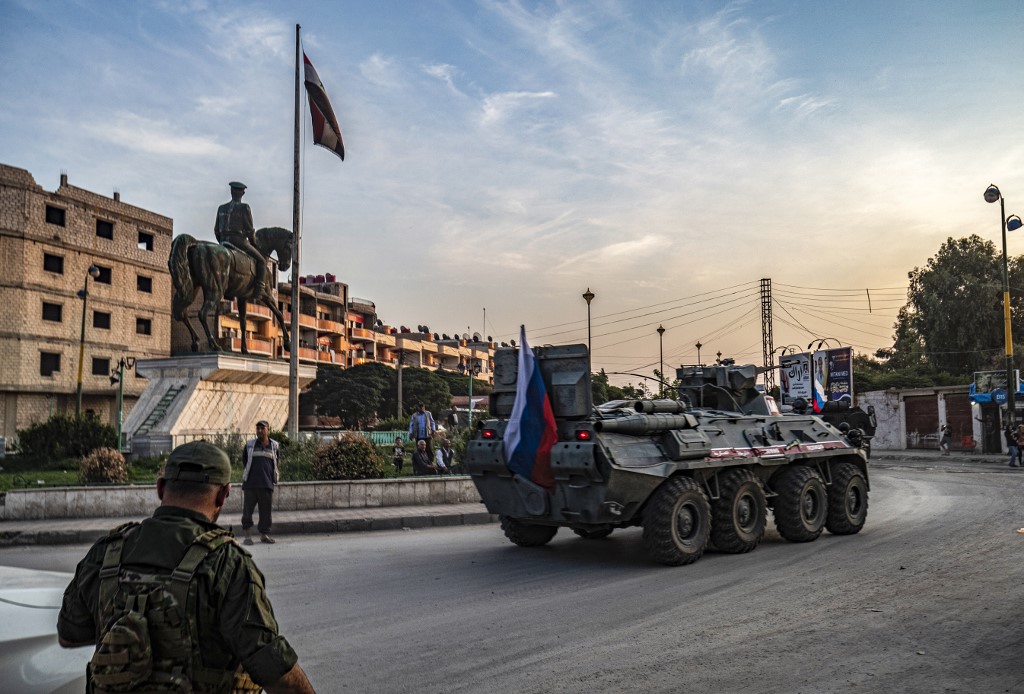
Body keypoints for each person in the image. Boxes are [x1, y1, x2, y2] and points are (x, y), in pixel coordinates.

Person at [57, 440, 315, 693]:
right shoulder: (228, 563)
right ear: (224, 495)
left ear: (160, 488)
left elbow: (69, 633)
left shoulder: (107, 551)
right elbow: (275, 672)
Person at [215, 181, 267, 295]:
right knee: (262, 261)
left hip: (223, 241)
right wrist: (254, 243)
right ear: (242, 194)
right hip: (239, 242)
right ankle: (260, 290)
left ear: (231, 192)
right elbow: (249, 230)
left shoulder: (221, 208)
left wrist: (222, 242)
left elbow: (216, 230)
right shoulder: (245, 208)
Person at [242, 419, 281, 545]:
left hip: (266, 485)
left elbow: (276, 462)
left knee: (265, 513)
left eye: (262, 428)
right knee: (247, 512)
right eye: (257, 428)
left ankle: (264, 536)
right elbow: (245, 461)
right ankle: (248, 536)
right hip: (251, 485)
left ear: (268, 430)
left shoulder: (274, 445)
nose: (259, 431)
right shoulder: (249, 445)